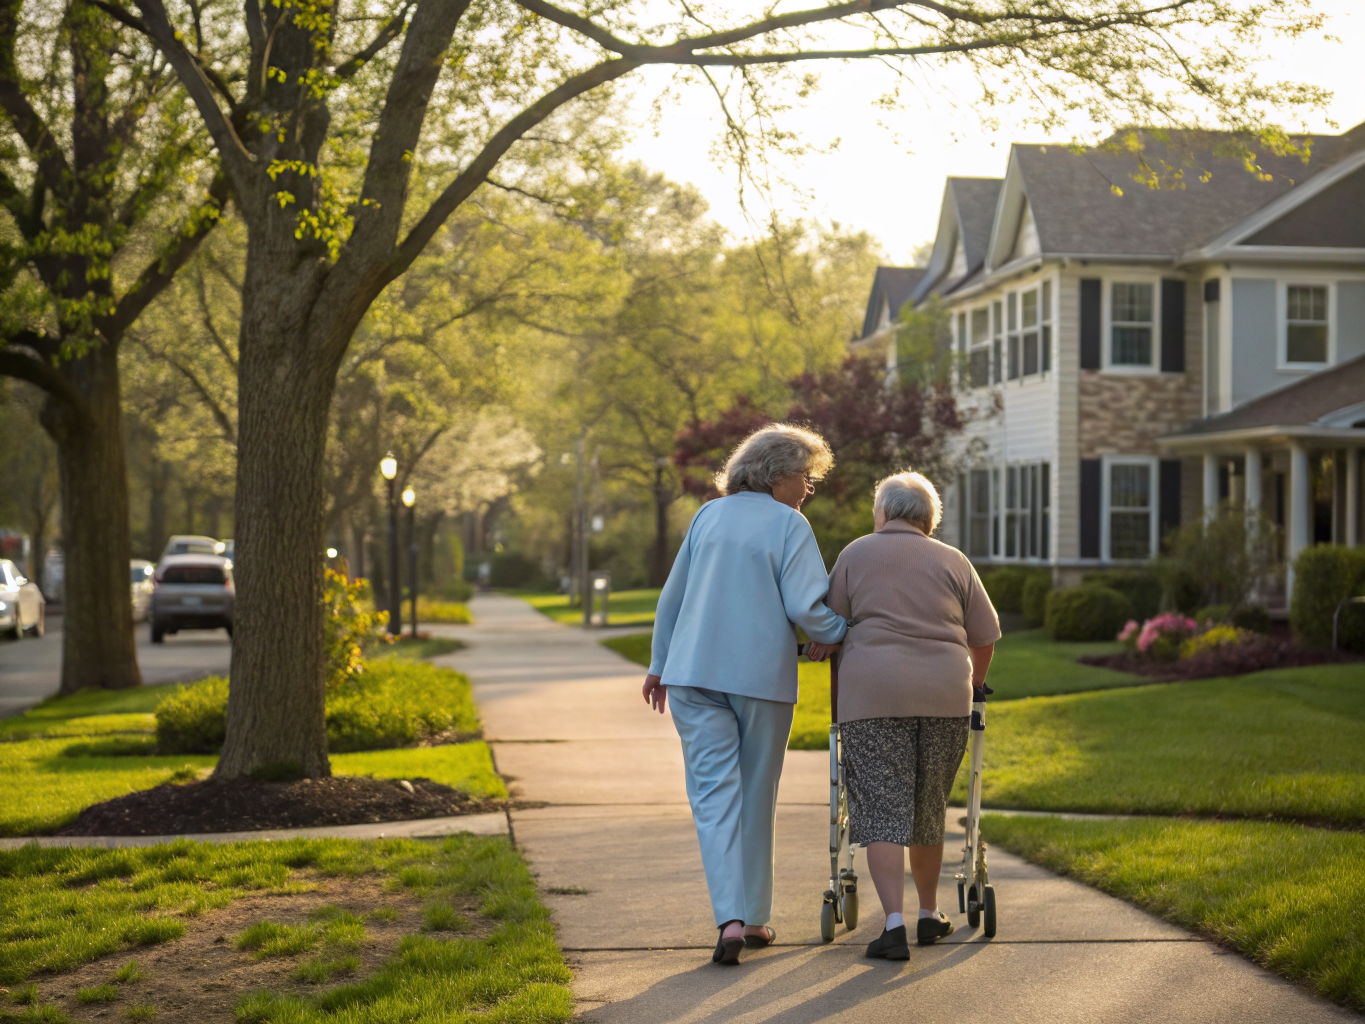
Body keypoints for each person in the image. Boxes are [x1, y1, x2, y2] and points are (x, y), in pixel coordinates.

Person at [642, 424, 847, 965]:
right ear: (778, 474)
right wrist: (841, 633)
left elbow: (673, 596)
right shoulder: (789, 524)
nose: (808, 488)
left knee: (712, 800)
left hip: (691, 673)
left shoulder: (707, 515)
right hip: (758, 679)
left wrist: (658, 665)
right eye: (805, 477)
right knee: (756, 796)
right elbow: (806, 608)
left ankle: (732, 920)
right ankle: (754, 919)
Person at [826, 470, 1000, 959]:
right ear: (929, 519)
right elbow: (984, 636)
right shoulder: (953, 560)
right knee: (927, 808)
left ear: (882, 513)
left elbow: (831, 623)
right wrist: (972, 683)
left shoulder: (856, 553)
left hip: (872, 697)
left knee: (882, 810)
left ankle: (894, 925)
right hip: (945, 697)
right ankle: (929, 914)